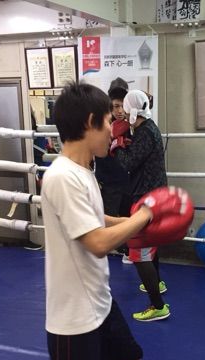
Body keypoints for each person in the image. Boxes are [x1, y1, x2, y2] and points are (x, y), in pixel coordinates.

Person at [4, 82, 184, 360]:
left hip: (98, 301)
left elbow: (95, 219)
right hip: (75, 318)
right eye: (107, 122)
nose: (113, 130)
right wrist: (145, 216)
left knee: (129, 358)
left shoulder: (83, 171)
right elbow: (98, 243)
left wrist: (133, 221)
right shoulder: (62, 177)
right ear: (90, 123)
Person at [112, 89, 169, 322]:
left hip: (148, 198)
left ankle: (158, 306)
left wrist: (116, 145)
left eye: (124, 108)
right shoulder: (146, 129)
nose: (123, 114)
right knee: (149, 245)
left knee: (139, 251)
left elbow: (127, 163)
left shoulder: (145, 132)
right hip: (152, 194)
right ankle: (157, 283)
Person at [94, 78, 132, 262]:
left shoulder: (134, 124)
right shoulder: (102, 123)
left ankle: (127, 250)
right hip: (107, 179)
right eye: (116, 106)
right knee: (107, 215)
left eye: (123, 106)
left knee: (127, 214)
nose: (120, 111)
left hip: (127, 179)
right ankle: (107, 248)